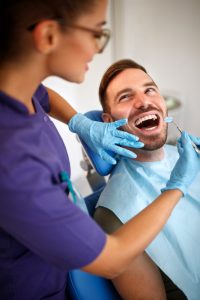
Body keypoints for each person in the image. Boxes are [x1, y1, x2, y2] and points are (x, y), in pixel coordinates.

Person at [0, 2, 199, 299]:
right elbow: (113, 260)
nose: (144, 102)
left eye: (150, 89)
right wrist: (178, 185)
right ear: (49, 36)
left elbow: (41, 94)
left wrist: (79, 122)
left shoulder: (16, 86)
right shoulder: (12, 161)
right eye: (96, 33)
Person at [94, 59, 200, 300]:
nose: (143, 102)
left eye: (150, 90)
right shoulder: (112, 215)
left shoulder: (190, 157)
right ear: (109, 122)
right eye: (125, 97)